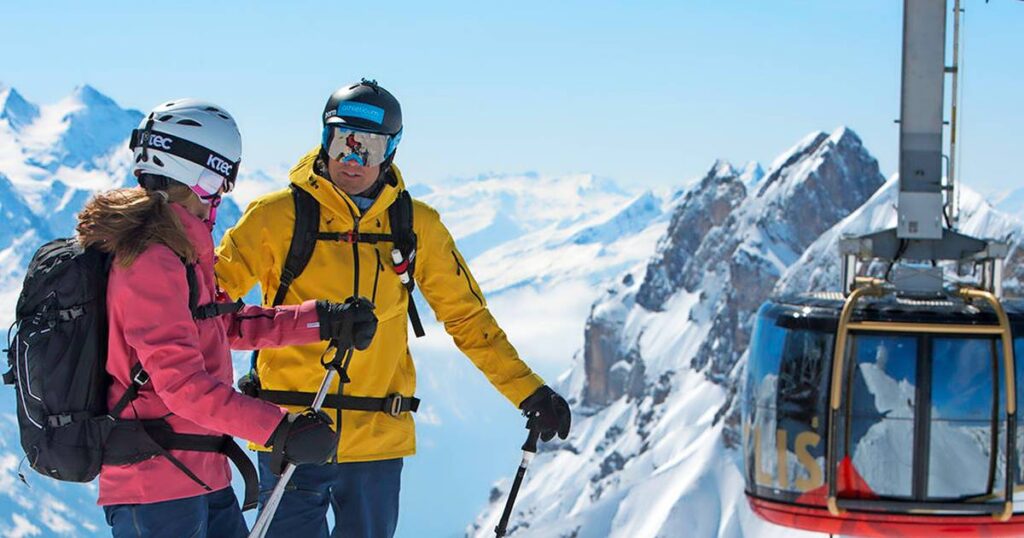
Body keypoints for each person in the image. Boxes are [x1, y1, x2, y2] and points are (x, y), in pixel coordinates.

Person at [215, 79, 572, 538]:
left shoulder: (416, 224)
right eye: (342, 141)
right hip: (291, 431)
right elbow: (208, 308)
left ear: (391, 150)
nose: (352, 159)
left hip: (377, 441)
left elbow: (466, 316)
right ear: (324, 138)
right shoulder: (274, 217)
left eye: (369, 146)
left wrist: (528, 391)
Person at [76, 99, 377, 538]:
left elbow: (223, 325)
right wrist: (279, 428)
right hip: (157, 485)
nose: (220, 196)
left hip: (198, 474)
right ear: (197, 176)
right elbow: (181, 385)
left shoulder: (179, 251)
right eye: (220, 181)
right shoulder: (151, 260)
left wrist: (323, 320)